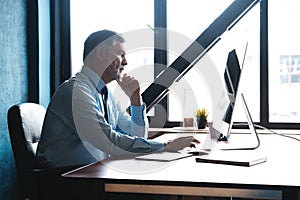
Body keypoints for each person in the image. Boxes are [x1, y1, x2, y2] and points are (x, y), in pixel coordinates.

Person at [36, 29, 198, 168]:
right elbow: (108, 141)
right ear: (100, 53)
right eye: (121, 54)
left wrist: (136, 101)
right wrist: (165, 146)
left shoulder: (105, 94)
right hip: (63, 179)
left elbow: (136, 136)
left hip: (91, 172)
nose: (126, 62)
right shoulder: (77, 92)